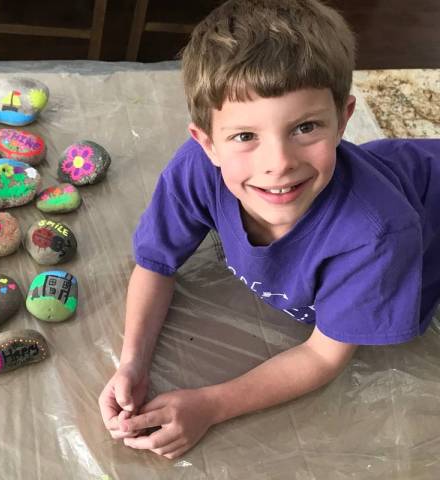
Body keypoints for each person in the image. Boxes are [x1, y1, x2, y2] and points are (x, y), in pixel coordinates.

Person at [98, 0, 440, 460]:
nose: (278, 164)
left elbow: (323, 356)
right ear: (207, 142)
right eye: (244, 136)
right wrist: (132, 362)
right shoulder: (196, 169)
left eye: (306, 127)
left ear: (343, 120)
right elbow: (155, 263)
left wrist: (210, 405)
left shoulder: (378, 233)